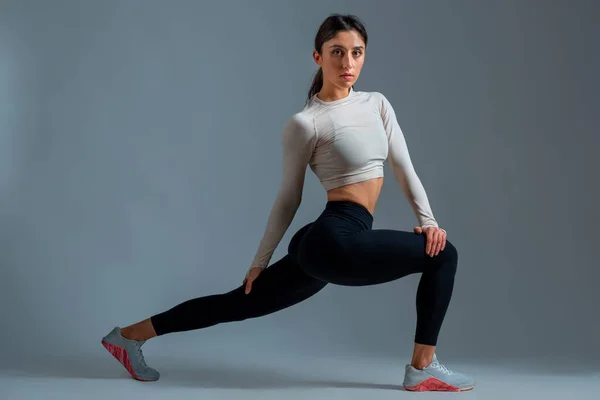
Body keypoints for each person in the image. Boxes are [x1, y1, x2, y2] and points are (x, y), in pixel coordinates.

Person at [101, 13, 475, 392]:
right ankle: (421, 368)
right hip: (334, 239)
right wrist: (259, 262)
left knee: (236, 305)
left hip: (332, 238)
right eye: (337, 52)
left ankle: (128, 337)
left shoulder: (377, 104)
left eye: (356, 53)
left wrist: (428, 222)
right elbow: (288, 197)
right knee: (444, 256)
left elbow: (403, 167)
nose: (348, 63)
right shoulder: (306, 123)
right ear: (318, 57)